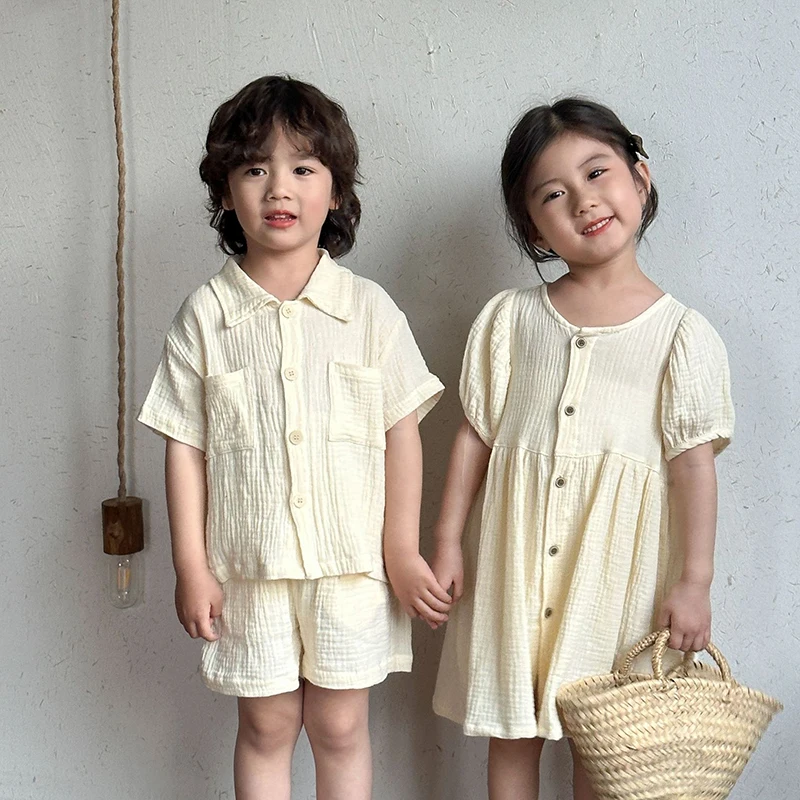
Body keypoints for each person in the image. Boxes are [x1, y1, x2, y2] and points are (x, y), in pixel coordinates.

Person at [138, 75, 448, 800]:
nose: (279, 187)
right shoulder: (204, 316)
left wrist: (401, 550)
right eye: (255, 169)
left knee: (340, 726)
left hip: (350, 571)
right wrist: (191, 565)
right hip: (249, 570)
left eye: (303, 168)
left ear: (336, 193)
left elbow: (402, 432)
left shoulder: (370, 311)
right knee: (267, 725)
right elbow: (184, 446)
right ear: (225, 193)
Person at [431, 98, 734, 800]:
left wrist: (694, 581)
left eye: (598, 173)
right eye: (553, 194)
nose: (584, 201)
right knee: (512, 732)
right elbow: (475, 436)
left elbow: (693, 467)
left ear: (640, 178)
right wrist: (445, 542)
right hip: (513, 566)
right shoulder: (510, 321)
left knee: (607, 746)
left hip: (619, 578)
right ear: (531, 224)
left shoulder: (682, 336)